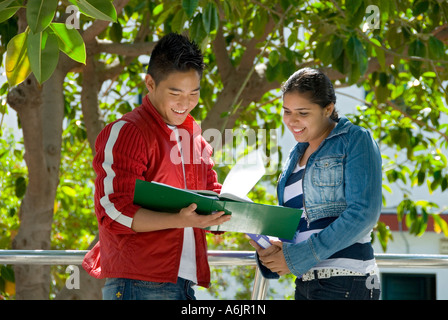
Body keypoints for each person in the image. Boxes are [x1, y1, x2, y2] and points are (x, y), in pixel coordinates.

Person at [82, 33, 230, 300]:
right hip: (137, 284)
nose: (185, 103)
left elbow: (212, 197)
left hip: (184, 285)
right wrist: (179, 220)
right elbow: (112, 210)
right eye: (175, 93)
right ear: (149, 83)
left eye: (194, 93)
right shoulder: (128, 132)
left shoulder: (196, 141)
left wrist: (229, 214)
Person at [250, 68, 382, 300]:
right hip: (306, 282)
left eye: (302, 112)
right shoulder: (295, 155)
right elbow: (304, 222)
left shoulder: (355, 139)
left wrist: (300, 256)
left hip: (346, 279)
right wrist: (274, 247)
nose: (292, 121)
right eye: (287, 111)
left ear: (328, 109)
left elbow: (364, 214)